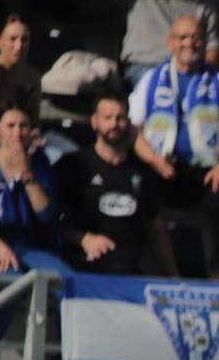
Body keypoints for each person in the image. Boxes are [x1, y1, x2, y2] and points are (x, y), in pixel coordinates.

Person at [129, 14, 219, 280]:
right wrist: (154, 160)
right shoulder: (150, 80)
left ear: (205, 43)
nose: (189, 43)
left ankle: (218, 278)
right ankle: (167, 273)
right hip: (161, 167)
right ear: (171, 43)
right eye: (183, 37)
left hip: (206, 170)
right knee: (139, 194)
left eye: (196, 37)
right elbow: (133, 131)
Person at [56, 93, 178, 276]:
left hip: (138, 267)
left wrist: (174, 275)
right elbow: (50, 221)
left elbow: (155, 225)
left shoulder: (142, 170)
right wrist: (83, 239)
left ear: (128, 123)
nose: (114, 124)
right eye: (108, 118)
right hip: (92, 264)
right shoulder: (74, 165)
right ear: (95, 122)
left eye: (120, 118)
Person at [0, 105, 61, 275]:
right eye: (10, 126)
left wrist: (27, 178)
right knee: (15, 283)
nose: (17, 132)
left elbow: (46, 215)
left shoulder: (39, 162)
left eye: (23, 126)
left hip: (29, 248)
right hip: (0, 246)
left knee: (64, 279)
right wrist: (0, 247)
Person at [0, 14, 39, 121]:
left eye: (24, 39)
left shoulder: (32, 77)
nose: (19, 46)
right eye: (13, 39)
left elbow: (34, 121)